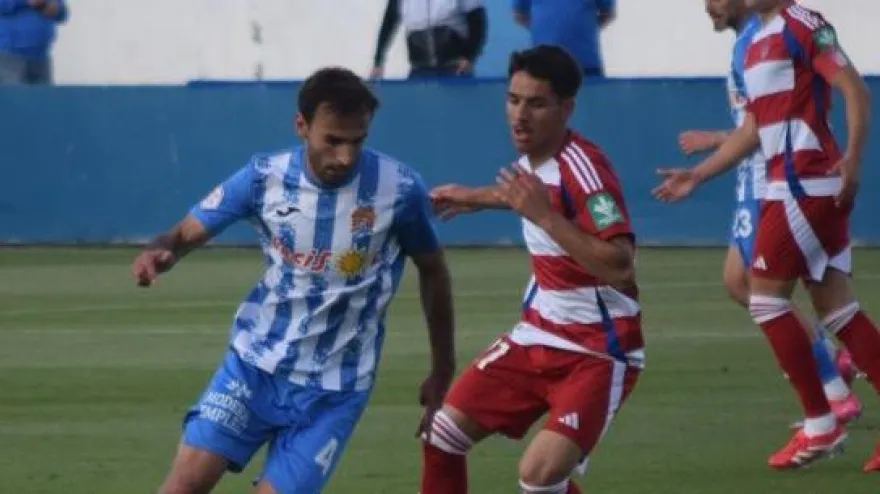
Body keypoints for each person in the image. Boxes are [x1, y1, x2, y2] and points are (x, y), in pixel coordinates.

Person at [131, 67, 457, 493]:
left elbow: (433, 270)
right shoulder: (263, 177)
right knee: (182, 486)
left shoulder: (399, 189)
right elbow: (184, 232)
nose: (345, 156)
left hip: (334, 392)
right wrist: (163, 250)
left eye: (357, 141)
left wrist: (442, 370)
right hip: (253, 368)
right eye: (333, 141)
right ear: (301, 125)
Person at [653, 0, 880, 471]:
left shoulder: (802, 24)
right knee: (838, 311)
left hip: (805, 182)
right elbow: (755, 127)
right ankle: (826, 413)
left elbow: (855, 89)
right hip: (792, 183)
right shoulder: (756, 41)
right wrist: (699, 175)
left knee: (764, 299)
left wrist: (854, 159)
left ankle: (821, 423)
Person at [424, 45, 642, 494]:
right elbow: (527, 194)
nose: (520, 115)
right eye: (513, 99)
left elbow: (620, 264)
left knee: (539, 477)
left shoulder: (587, 170)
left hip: (598, 351)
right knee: (442, 435)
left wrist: (546, 218)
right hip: (537, 336)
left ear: (567, 108)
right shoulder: (532, 163)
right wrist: (470, 197)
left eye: (536, 103)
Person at [370, 0, 487, 80]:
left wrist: (469, 56)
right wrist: (378, 62)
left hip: (454, 67)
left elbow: (477, 21)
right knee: (420, 112)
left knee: (457, 112)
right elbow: (388, 24)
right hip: (419, 69)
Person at [511, 0, 615, 77]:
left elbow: (608, 13)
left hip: (586, 64)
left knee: (592, 103)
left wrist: (582, 29)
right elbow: (519, 14)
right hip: (543, 65)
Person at [0, 0, 68, 84]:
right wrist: (26, 2)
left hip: (41, 57)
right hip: (10, 56)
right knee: (15, 96)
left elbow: (63, 14)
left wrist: (57, 8)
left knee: (42, 96)